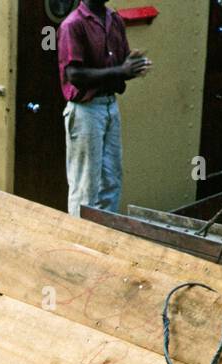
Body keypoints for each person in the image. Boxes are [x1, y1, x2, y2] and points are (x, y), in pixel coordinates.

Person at [58, 1, 152, 217]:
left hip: (109, 106)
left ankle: (103, 236)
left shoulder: (114, 19)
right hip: (86, 111)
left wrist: (132, 66)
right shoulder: (73, 25)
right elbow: (75, 76)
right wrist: (121, 69)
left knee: (111, 181)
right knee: (85, 187)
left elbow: (120, 65)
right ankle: (79, 241)